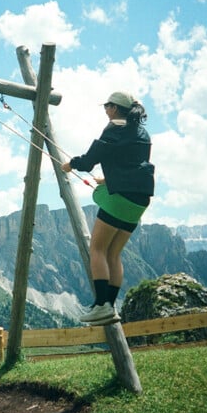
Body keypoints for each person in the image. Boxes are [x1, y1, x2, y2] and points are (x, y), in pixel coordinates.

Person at [61, 91, 155, 325]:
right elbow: (131, 163)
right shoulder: (142, 132)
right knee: (114, 254)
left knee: (98, 250)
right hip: (140, 200)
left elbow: (90, 159)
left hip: (120, 198)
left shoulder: (114, 128)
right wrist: (108, 179)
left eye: (107, 106)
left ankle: (102, 305)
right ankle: (110, 306)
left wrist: (71, 164)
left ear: (114, 108)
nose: (105, 110)